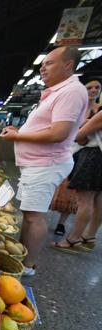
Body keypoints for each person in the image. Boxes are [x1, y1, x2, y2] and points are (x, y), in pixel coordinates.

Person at [0, 46, 88, 276]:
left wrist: (18, 136)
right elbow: (48, 127)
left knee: (34, 217)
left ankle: (26, 267)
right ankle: (23, 261)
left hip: (45, 164)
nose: (42, 66)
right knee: (30, 214)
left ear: (68, 64)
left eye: (49, 62)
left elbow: (58, 133)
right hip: (39, 163)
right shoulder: (59, 91)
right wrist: (20, 131)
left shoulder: (71, 92)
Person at [50, 78, 101, 235]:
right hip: (69, 152)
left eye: (97, 87)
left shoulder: (99, 110)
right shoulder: (75, 109)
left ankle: (66, 228)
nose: (93, 90)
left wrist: (82, 126)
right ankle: (87, 236)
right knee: (65, 190)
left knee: (79, 197)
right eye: (89, 87)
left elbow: (75, 135)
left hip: (86, 154)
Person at [52, 109, 102, 252]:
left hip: (94, 156)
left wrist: (83, 124)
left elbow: (78, 135)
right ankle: (89, 236)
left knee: (85, 201)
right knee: (98, 199)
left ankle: (74, 239)